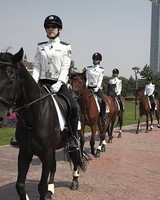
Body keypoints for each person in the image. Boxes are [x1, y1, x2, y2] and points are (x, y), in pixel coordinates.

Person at [32, 15, 79, 151]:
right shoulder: (40, 46)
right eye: (48, 27)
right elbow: (36, 65)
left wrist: (59, 82)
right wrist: (34, 81)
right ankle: (22, 136)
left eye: (53, 27)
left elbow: (65, 67)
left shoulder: (65, 47)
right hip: (42, 83)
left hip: (58, 83)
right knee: (25, 104)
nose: (50, 29)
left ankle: (72, 138)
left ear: (60, 29)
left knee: (74, 107)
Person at [85, 52, 106, 123]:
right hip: (89, 87)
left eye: (97, 59)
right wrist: (86, 85)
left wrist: (97, 88)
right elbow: (87, 78)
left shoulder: (101, 70)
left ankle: (103, 116)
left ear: (99, 60)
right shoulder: (88, 69)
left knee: (102, 100)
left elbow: (100, 79)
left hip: (96, 88)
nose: (95, 61)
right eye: (94, 59)